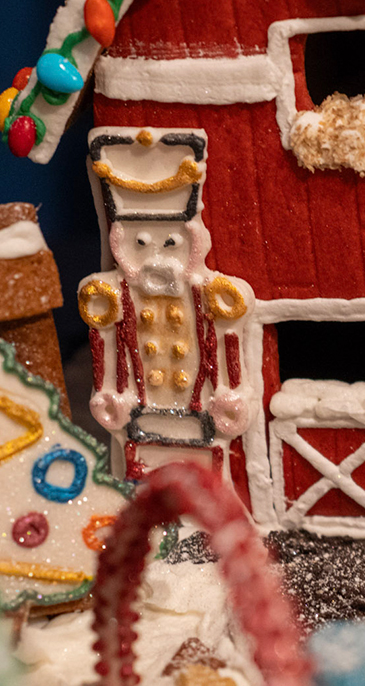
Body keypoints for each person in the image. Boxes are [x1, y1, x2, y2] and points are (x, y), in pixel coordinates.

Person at [77, 128, 254, 481]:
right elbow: (105, 348)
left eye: (170, 243)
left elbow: (225, 345)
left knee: (206, 487)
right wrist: (110, 394)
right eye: (139, 243)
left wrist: (230, 394)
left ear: (190, 243)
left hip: (200, 416)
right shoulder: (110, 297)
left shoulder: (214, 296)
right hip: (141, 415)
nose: (155, 257)